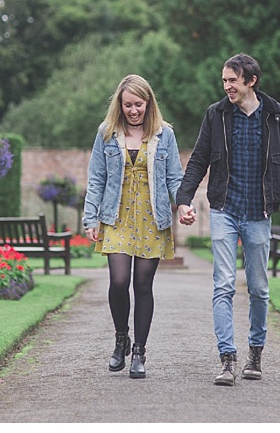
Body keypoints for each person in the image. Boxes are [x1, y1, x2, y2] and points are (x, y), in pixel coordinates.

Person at [175, 53, 280, 386]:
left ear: (251, 81)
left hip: (259, 213)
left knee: (259, 289)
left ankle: (255, 354)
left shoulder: (277, 115)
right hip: (224, 209)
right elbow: (199, 159)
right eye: (224, 80)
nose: (226, 86)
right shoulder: (216, 115)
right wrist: (184, 200)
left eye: (232, 80)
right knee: (224, 284)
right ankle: (227, 358)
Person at [81, 74, 184, 379]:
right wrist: (91, 219)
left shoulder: (164, 134)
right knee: (118, 281)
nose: (133, 110)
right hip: (117, 216)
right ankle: (120, 338)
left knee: (142, 286)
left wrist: (185, 203)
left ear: (148, 102)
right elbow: (96, 178)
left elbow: (174, 178)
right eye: (128, 105)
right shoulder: (107, 132)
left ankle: (139, 351)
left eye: (138, 104)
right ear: (120, 104)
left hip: (153, 218)